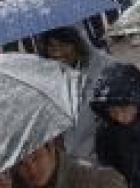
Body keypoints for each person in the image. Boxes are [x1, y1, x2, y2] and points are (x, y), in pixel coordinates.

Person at [41, 27, 117, 164]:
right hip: (72, 161)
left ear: (76, 44)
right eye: (51, 46)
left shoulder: (105, 69)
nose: (57, 52)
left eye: (63, 45)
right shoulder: (47, 78)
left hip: (104, 157)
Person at [14, 137, 126, 188]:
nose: (31, 168)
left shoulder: (98, 180)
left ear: (51, 148)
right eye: (21, 164)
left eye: (35, 157)